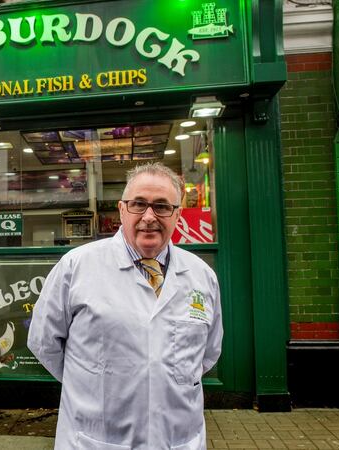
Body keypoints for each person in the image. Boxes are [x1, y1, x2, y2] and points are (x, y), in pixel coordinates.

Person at [28, 162, 223, 450]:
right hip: (96, 438)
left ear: (177, 214)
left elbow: (208, 354)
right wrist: (94, 383)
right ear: (122, 210)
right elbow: (44, 343)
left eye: (162, 206)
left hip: (179, 439)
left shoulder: (201, 276)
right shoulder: (77, 266)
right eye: (138, 204)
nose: (148, 216)